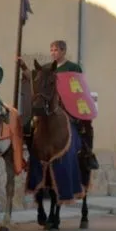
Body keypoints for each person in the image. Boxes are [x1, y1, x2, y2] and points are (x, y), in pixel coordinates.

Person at [18, 40, 99, 170]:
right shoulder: (47, 67)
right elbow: (34, 78)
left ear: (63, 51)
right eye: (51, 50)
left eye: (56, 50)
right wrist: (23, 66)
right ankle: (33, 156)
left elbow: (80, 87)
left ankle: (87, 154)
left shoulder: (73, 67)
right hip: (49, 107)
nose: (53, 53)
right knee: (29, 126)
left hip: (68, 105)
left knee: (86, 125)